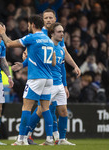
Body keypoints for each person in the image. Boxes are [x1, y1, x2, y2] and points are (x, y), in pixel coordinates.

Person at [20, 9, 81, 145]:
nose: (48, 20)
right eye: (45, 18)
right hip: (44, 77)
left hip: (56, 80)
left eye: (50, 18)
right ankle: (27, 135)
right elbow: (29, 50)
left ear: (54, 19)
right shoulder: (39, 34)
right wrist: (24, 59)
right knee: (42, 109)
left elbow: (63, 57)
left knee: (58, 110)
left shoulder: (58, 36)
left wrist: (74, 67)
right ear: (42, 20)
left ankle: (59, 138)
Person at [0, 14, 56, 145]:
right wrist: (25, 63)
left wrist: (3, 33)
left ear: (33, 25)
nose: (28, 26)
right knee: (45, 108)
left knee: (26, 107)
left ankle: (21, 139)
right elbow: (53, 62)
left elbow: (9, 44)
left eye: (29, 24)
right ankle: (50, 139)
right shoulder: (48, 40)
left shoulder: (31, 37)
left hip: (36, 78)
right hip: (48, 78)